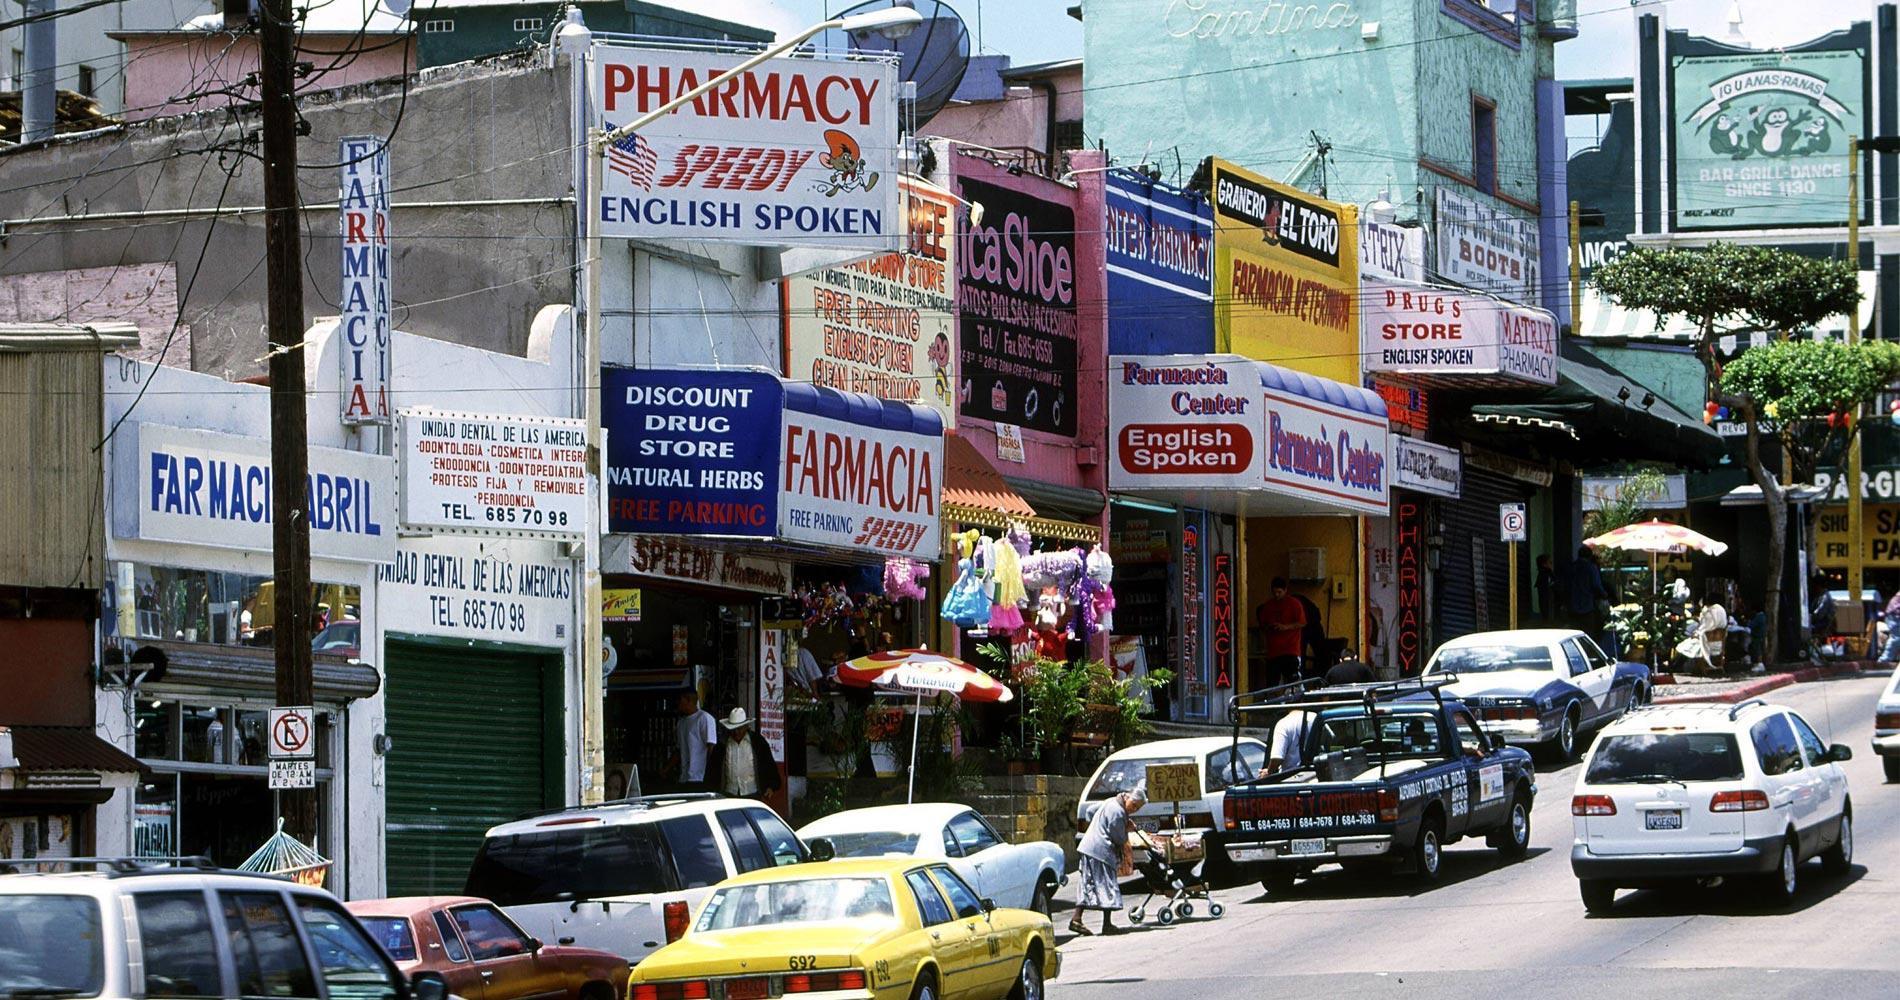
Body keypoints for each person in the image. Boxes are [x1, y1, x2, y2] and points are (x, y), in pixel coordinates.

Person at [1070, 782, 1145, 937]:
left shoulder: (1110, 802)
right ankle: (1107, 925)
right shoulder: (1117, 812)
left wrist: (1097, 826)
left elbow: (1091, 811)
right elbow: (1119, 838)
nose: (1134, 810)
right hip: (1100, 850)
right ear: (1128, 797)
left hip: (1089, 845)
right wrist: (1127, 829)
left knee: (1088, 882)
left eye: (1137, 808)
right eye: (1134, 805)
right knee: (1108, 885)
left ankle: (1076, 919)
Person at [709, 708, 781, 799]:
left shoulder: (757, 742)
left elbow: (768, 764)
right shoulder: (722, 744)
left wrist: (771, 786)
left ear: (746, 727)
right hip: (728, 794)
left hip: (752, 793)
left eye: (739, 729)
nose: (736, 732)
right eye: (733, 729)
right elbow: (713, 769)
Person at [1256, 577, 1306, 686]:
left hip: (1290, 649)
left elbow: (1302, 622)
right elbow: (1262, 625)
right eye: (1274, 592)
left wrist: (1285, 627)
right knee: (1272, 683)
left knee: (1293, 683)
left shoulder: (1294, 604)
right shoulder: (1268, 606)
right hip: (1273, 652)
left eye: (1279, 592)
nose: (1277, 595)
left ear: (1285, 590)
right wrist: (1270, 628)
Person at [670, 690, 718, 791]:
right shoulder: (681, 723)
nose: (678, 704)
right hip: (684, 777)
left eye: (681, 701)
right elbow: (679, 750)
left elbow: (711, 747)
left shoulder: (704, 718)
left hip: (700, 777)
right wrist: (666, 769)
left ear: (689, 701)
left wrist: (710, 774)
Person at [1565, 546, 1608, 644]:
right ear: (1589, 556)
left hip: (1572, 605)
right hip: (1587, 605)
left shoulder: (1571, 567)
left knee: (1573, 633)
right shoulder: (1591, 567)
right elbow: (1596, 585)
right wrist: (1604, 594)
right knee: (1588, 633)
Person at [1291, 590, 1331, 674]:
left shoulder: (1290, 603)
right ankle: (1323, 676)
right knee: (1320, 653)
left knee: (1301, 654)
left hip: (1310, 624)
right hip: (1312, 622)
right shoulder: (1295, 600)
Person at [1264, 708, 1313, 774]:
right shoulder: (1315, 717)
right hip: (1314, 773)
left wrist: (1268, 772)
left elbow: (1277, 758)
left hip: (1290, 778)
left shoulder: (1283, 724)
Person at [1534, 554, 1557, 622]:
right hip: (1547, 596)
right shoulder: (1546, 573)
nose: (1551, 564)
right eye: (1549, 562)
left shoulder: (1542, 573)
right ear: (1544, 564)